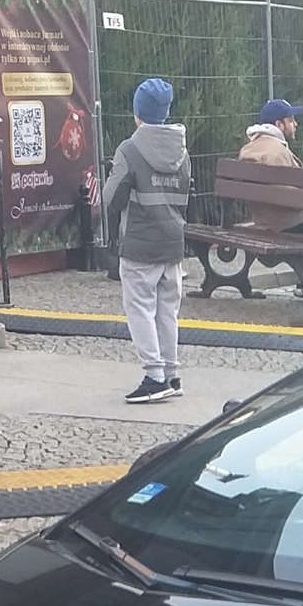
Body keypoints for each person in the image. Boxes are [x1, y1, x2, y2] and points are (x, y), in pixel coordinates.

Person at [102, 77, 191, 403]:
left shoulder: (129, 149)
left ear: (138, 112)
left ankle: (154, 376)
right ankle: (172, 373)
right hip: (174, 242)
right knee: (168, 310)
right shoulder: (182, 151)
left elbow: (112, 198)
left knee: (139, 308)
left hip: (140, 243)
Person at [236, 98, 303, 235]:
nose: (296, 124)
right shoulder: (278, 153)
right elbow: (289, 198)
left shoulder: (248, 149)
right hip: (287, 222)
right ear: (279, 125)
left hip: (261, 219)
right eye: (291, 120)